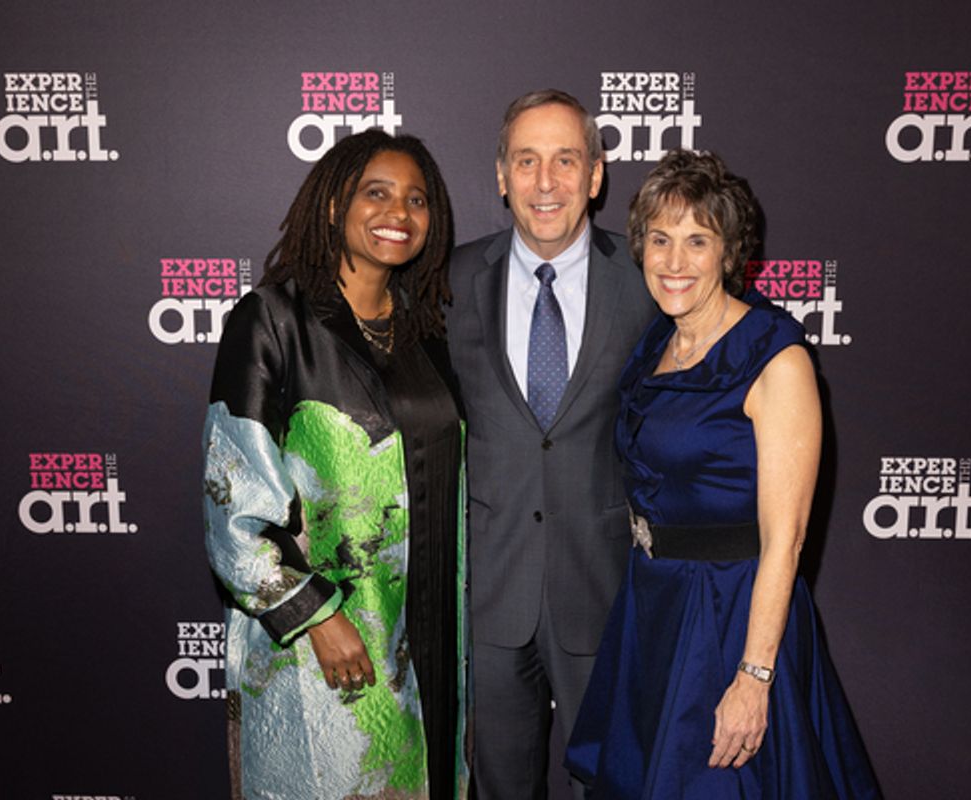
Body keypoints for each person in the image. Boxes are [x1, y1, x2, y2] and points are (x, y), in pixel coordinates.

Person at [565, 149, 880, 798]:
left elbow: (787, 538)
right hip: (654, 607)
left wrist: (754, 676)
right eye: (659, 239)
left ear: (729, 252)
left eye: (696, 241)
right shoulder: (658, 343)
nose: (674, 261)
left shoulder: (774, 356)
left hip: (731, 616)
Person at [203, 129, 468, 799]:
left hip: (430, 632)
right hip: (326, 642)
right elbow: (230, 505)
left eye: (417, 199)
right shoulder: (272, 319)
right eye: (376, 193)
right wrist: (317, 615)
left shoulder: (426, 326)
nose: (398, 214)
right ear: (332, 206)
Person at [445, 89, 657, 800]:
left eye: (565, 160)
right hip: (489, 598)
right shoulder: (446, 282)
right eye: (527, 161)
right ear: (500, 175)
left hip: (603, 587)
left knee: (615, 784)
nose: (546, 183)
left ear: (596, 175)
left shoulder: (651, 278)